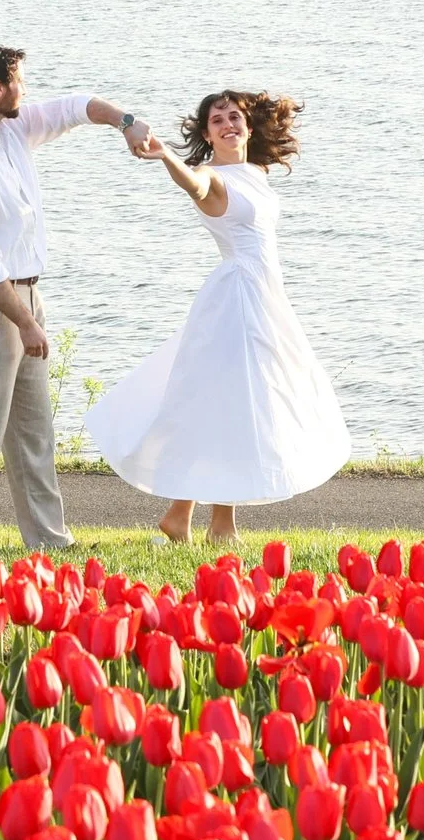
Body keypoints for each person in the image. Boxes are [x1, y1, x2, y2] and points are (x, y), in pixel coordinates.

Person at [85, 90, 349, 545]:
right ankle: (219, 526)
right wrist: (167, 154)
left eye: (234, 117)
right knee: (232, 405)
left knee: (226, 406)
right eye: (216, 121)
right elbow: (195, 185)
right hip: (237, 301)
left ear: (247, 126)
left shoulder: (255, 172)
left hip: (265, 297)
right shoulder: (212, 176)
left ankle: (181, 517)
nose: (228, 124)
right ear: (206, 135)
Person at [0, 43, 146, 554]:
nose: (26, 90)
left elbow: (74, 107)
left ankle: (49, 542)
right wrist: (25, 321)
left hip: (24, 299)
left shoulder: (11, 129)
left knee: (33, 434)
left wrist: (124, 121)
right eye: (20, 80)